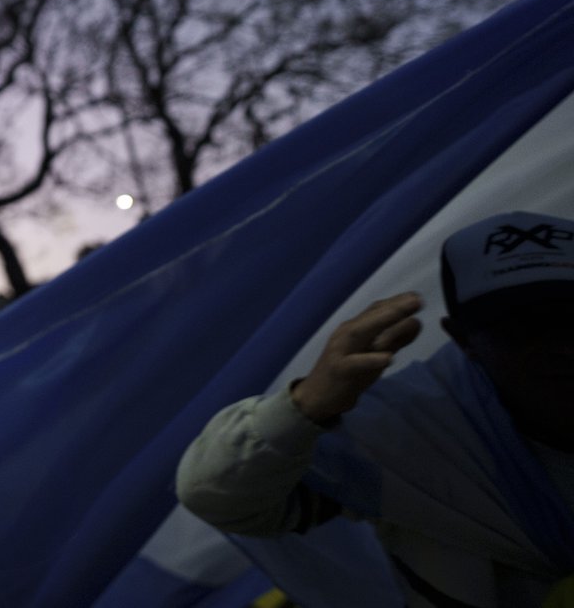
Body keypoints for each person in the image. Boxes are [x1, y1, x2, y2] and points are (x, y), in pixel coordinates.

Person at [177, 210, 574, 607]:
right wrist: (305, 406)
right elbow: (221, 496)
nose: (562, 346)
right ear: (462, 339)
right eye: (521, 327)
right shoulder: (412, 431)